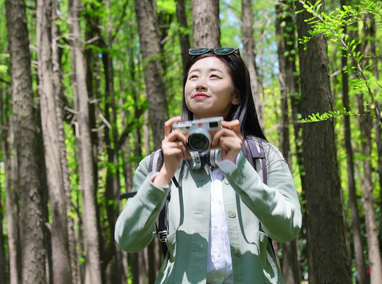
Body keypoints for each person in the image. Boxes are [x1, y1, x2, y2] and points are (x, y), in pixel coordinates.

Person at [115, 47, 302, 283]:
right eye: (193, 77)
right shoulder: (156, 164)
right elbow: (128, 240)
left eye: (214, 76)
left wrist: (239, 168)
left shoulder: (263, 157)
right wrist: (164, 175)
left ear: (236, 95)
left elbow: (287, 229)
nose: (200, 84)